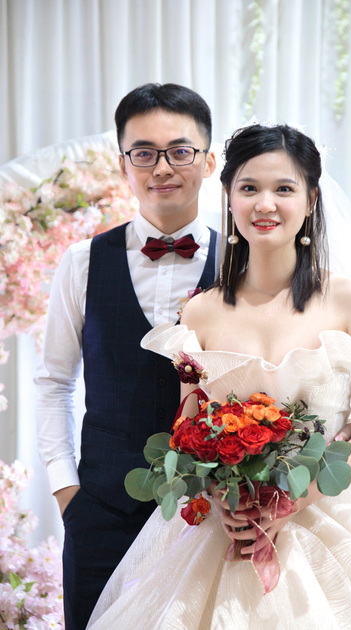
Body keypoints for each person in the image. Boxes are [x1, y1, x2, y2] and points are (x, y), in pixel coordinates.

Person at [86, 123, 351, 630]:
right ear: (229, 197)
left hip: (324, 518)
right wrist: (220, 497)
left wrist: (297, 496)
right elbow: (188, 431)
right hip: (222, 528)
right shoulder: (199, 313)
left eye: (284, 188)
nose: (265, 204)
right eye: (249, 188)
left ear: (310, 200)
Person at [35, 83, 219, 630]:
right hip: (101, 513)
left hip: (208, 514)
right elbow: (53, 381)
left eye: (179, 151)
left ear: (209, 161)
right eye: (143, 152)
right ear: (123, 165)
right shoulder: (82, 261)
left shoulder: (243, 264)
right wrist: (67, 492)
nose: (161, 167)